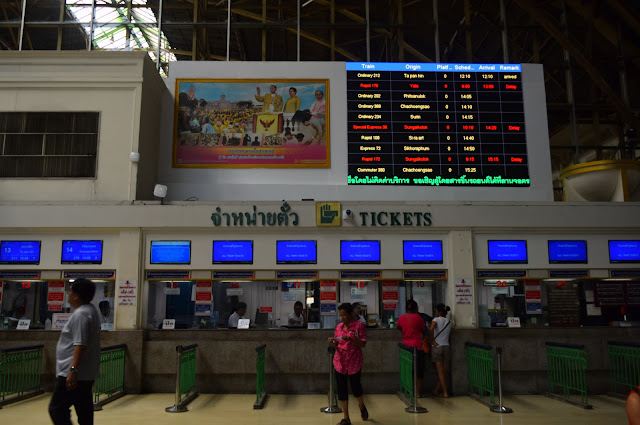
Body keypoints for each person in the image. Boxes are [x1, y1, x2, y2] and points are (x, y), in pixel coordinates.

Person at [49, 278, 101, 425]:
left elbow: (80, 344)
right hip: (84, 373)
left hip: (73, 374)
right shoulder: (90, 310)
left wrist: (73, 370)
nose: (68, 293)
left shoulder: (81, 315)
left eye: (70, 290)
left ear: (77, 295)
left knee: (56, 408)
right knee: (84, 411)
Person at [328, 303, 368, 425]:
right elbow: (337, 344)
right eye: (341, 315)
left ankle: (361, 405)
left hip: (354, 361)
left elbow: (363, 344)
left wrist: (351, 340)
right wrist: (333, 342)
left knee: (356, 387)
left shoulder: (358, 326)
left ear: (350, 314)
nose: (342, 318)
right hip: (340, 361)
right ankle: (346, 418)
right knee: (342, 389)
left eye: (344, 315)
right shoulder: (339, 327)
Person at [396, 299, 427, 397]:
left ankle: (409, 389)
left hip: (405, 347)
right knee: (419, 370)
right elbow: (423, 329)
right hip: (417, 346)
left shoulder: (401, 318)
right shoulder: (418, 318)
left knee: (408, 370)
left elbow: (398, 327)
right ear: (415, 308)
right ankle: (417, 392)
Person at [430, 303, 452, 398]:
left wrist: (432, 341)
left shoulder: (436, 320)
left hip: (437, 348)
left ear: (438, 312)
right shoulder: (449, 321)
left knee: (440, 372)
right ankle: (436, 390)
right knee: (444, 372)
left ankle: (445, 393)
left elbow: (431, 330)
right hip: (446, 347)